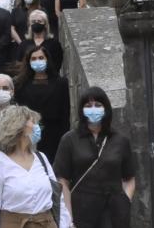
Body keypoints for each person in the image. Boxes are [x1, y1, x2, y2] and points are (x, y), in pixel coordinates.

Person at [54, 87, 136, 228]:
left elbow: (129, 177)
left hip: (114, 213)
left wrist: (125, 200)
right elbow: (62, 181)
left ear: (106, 108)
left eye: (98, 105)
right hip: (82, 211)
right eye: (88, 105)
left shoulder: (120, 140)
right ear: (82, 109)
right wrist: (69, 217)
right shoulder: (69, 140)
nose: (93, 109)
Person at [0, 105, 71, 228]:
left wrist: (66, 225)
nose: (37, 127)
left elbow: (58, 199)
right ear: (18, 127)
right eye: (33, 122)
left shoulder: (41, 158)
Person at [13, 45, 70, 162]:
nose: (37, 61)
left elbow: (65, 113)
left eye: (41, 57)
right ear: (28, 62)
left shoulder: (61, 83)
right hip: (29, 134)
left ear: (47, 59)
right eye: (33, 59)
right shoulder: (20, 84)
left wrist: (64, 139)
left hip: (54, 135)